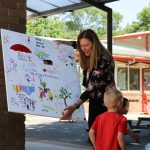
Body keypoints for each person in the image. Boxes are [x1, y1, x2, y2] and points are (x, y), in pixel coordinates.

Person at [60, 29, 116, 130]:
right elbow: (77, 44)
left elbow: (91, 87)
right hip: (95, 101)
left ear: (95, 44)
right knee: (93, 135)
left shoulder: (103, 59)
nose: (83, 49)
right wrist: (63, 43)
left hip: (107, 104)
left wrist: (75, 106)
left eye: (86, 45)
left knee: (102, 137)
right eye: (81, 46)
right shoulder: (91, 56)